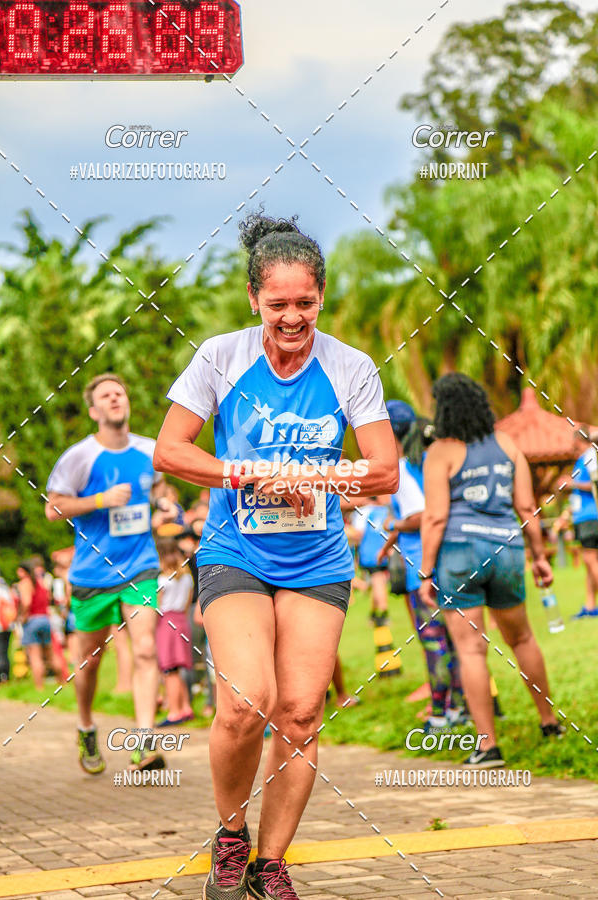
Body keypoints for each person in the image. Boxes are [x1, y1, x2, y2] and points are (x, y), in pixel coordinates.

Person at [153, 213, 399, 900]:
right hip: (236, 550)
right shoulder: (220, 357)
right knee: (243, 702)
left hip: (317, 560)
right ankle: (230, 838)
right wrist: (247, 474)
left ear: (322, 297)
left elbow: (383, 468)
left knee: (298, 713)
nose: (293, 317)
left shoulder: (350, 367)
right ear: (254, 299)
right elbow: (172, 450)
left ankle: (271, 865)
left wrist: (315, 477)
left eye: (306, 303)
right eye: (278, 303)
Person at [419, 373, 565, 768]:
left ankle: (488, 746)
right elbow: (526, 508)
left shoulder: (440, 452)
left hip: (459, 552)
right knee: (522, 639)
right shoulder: (507, 444)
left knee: (470, 649)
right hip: (507, 549)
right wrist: (539, 556)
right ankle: (550, 721)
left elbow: (435, 517)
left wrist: (426, 572)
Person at [45, 373, 169, 775]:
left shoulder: (150, 450)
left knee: (146, 649)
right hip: (92, 573)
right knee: (90, 663)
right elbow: (53, 508)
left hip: (141, 567)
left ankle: (145, 744)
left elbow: (160, 490)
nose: (116, 398)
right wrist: (99, 499)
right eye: (106, 396)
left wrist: (165, 506)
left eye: (121, 392)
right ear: (95, 411)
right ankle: (85, 725)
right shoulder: (79, 457)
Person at [379, 403, 464, 732]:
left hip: (421, 569)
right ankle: (459, 708)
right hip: (449, 561)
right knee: (455, 641)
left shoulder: (403, 468)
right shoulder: (433, 460)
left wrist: (394, 523)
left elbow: (419, 516)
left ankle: (440, 715)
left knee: (433, 643)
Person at [155, 537, 195, 725]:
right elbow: (187, 603)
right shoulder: (187, 577)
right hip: (182, 621)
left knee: (169, 669)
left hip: (166, 621)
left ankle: (174, 712)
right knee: (179, 668)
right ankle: (186, 707)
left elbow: (158, 604)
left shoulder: (162, 578)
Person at [560, 436, 598, 618]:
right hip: (583, 516)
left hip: (591, 517)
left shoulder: (591, 456)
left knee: (591, 561)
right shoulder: (583, 459)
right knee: (590, 562)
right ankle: (590, 607)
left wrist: (572, 483)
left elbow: (595, 484)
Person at [14, 560, 58, 689]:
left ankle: (39, 687)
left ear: (23, 571)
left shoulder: (25, 583)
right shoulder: (40, 581)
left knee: (35, 656)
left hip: (32, 619)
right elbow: (48, 598)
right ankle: (62, 681)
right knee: (51, 654)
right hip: (44, 619)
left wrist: (22, 616)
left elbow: (27, 602)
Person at [351, 496, 391, 626]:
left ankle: (383, 614)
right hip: (385, 550)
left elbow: (358, 533)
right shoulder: (385, 511)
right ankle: (374, 614)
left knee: (378, 581)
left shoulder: (363, 511)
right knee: (378, 582)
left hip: (370, 552)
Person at [0, 565, 16, 683]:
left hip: (0, 625)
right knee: (4, 651)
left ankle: (0, 677)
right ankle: (6, 677)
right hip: (8, 625)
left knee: (0, 652)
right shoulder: (5, 587)